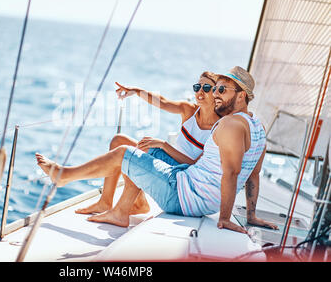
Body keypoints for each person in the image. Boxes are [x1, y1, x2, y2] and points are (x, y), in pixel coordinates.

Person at [36, 66, 278, 233]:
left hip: (185, 195)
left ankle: (64, 176)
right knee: (133, 147)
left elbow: (233, 173)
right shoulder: (257, 129)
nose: (214, 95)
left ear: (242, 96)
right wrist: (251, 217)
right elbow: (253, 175)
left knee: (126, 153)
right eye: (214, 89)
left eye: (220, 90)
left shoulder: (229, 125)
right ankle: (115, 206)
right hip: (189, 185)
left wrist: (224, 218)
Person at [75, 71, 220, 215]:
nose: (200, 91)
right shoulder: (189, 110)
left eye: (206, 88)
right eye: (197, 87)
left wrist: (163, 145)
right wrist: (136, 91)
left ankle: (137, 204)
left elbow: (194, 165)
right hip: (170, 161)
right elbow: (162, 101)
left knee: (136, 151)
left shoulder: (220, 128)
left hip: (184, 175)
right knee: (119, 141)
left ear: (216, 93)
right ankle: (106, 202)